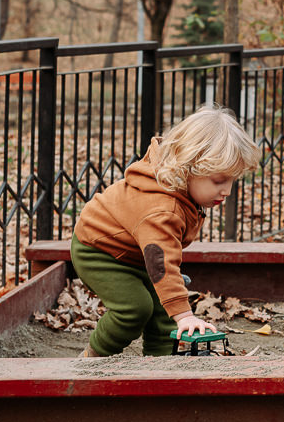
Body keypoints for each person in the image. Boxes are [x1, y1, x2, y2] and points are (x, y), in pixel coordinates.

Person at [71, 104, 260, 357]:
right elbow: (162, 263)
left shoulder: (181, 190)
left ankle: (160, 365)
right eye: (218, 181)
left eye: (231, 181)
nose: (226, 191)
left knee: (163, 312)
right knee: (134, 308)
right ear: (188, 168)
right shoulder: (162, 209)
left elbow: (160, 257)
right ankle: (91, 359)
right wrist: (185, 316)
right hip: (99, 250)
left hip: (138, 252)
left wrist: (175, 310)